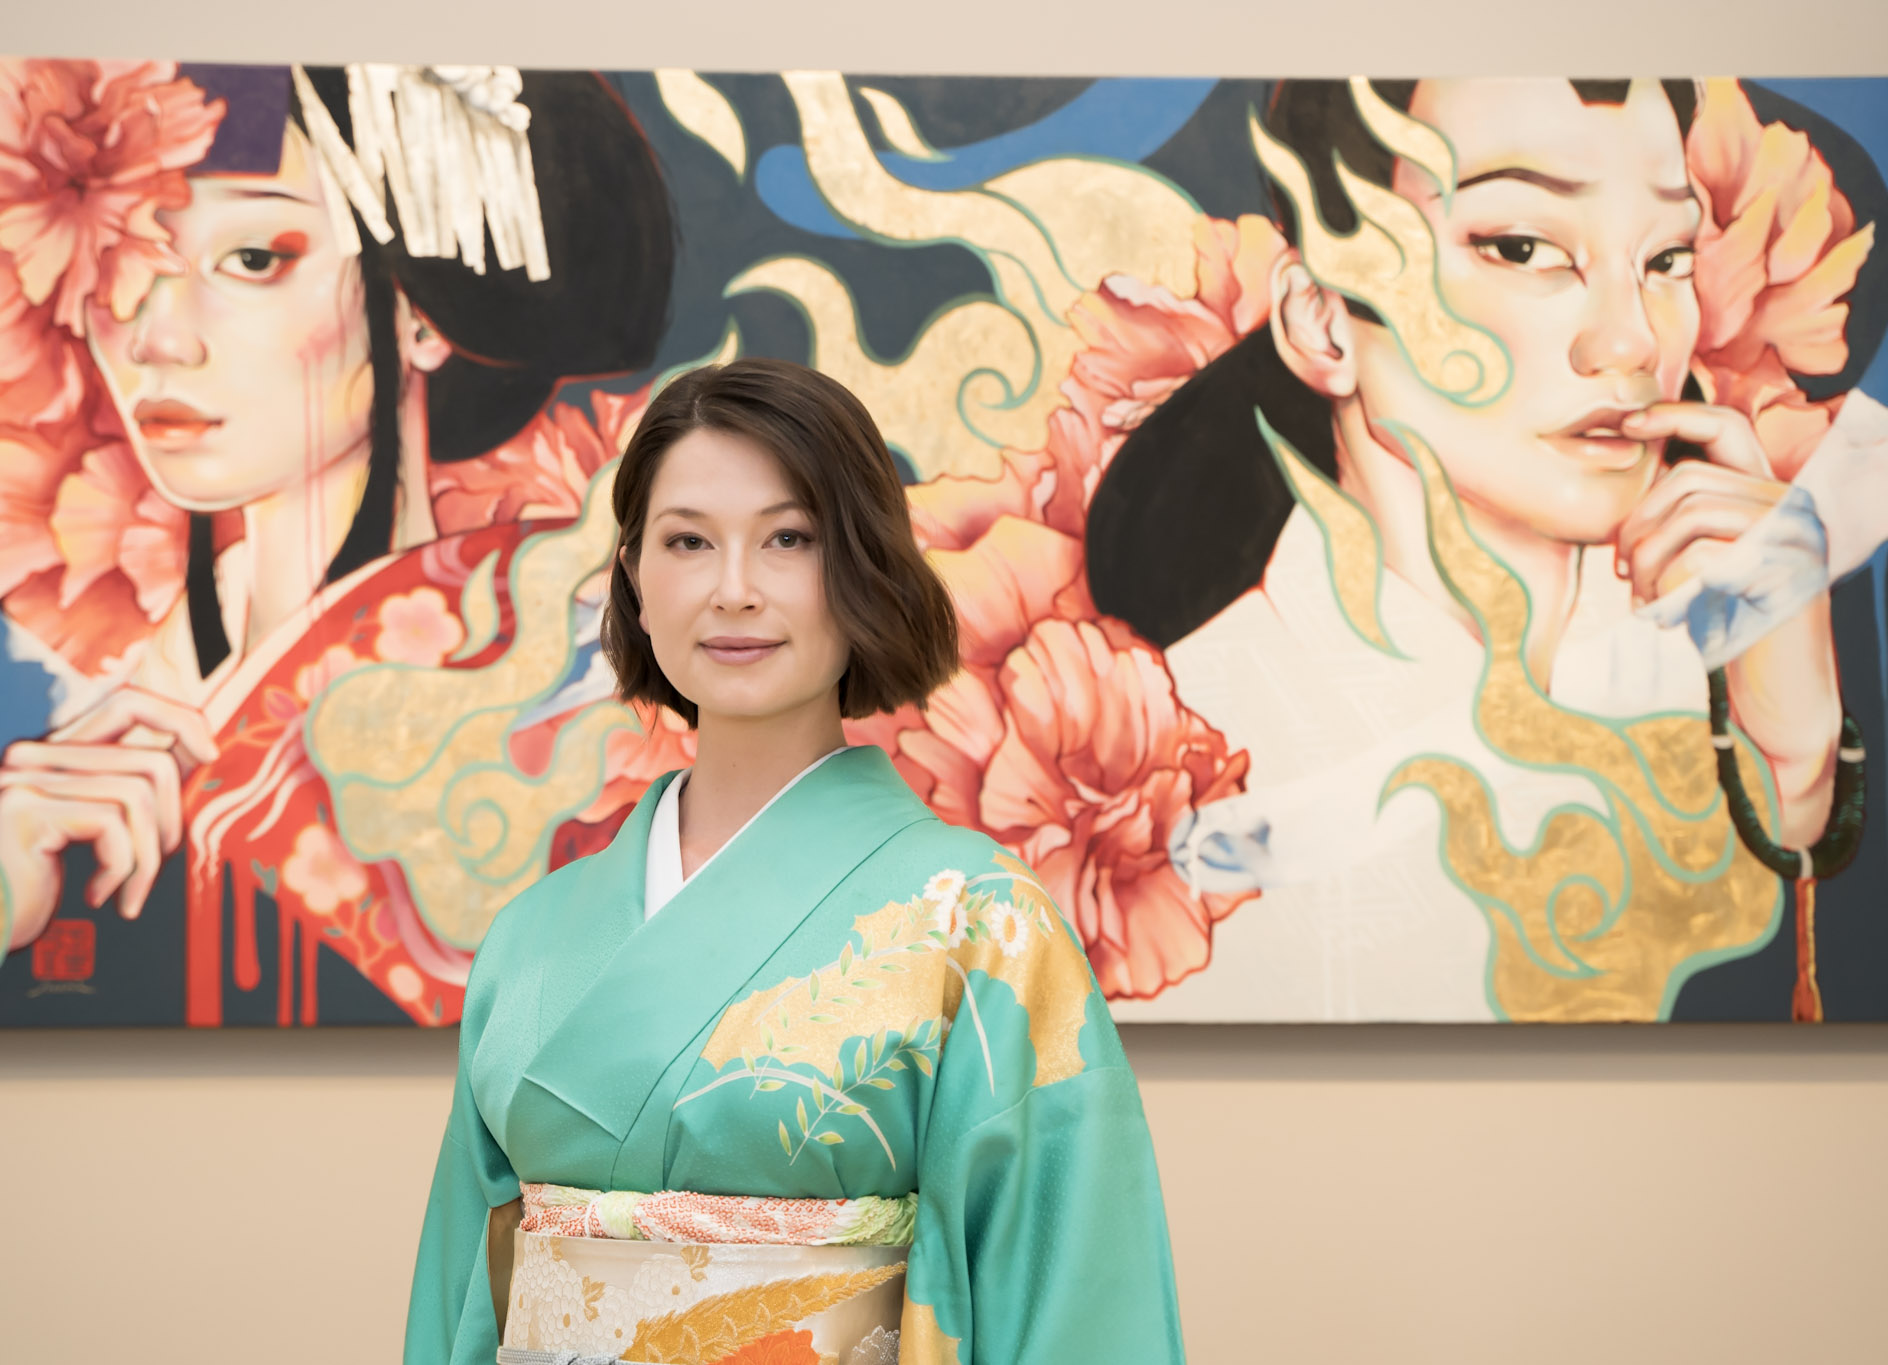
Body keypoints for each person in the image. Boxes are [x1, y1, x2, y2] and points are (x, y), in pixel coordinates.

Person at [0, 58, 673, 1026]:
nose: (158, 336)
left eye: (251, 258)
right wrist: (0, 912)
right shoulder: (115, 706)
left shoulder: (572, 688)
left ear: (418, 312)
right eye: (124, 263)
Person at [405, 358, 1186, 1364]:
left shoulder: (979, 925)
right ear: (635, 581)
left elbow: (1077, 1292)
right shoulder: (534, 939)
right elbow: (460, 1304)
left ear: (860, 571)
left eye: (787, 540)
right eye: (687, 542)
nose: (734, 592)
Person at [1086, 78, 1868, 1021]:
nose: (1630, 341)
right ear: (1322, 320)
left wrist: (1800, 763)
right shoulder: (1187, 744)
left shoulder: (1734, 648)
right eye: (1522, 246)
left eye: (1667, 257)